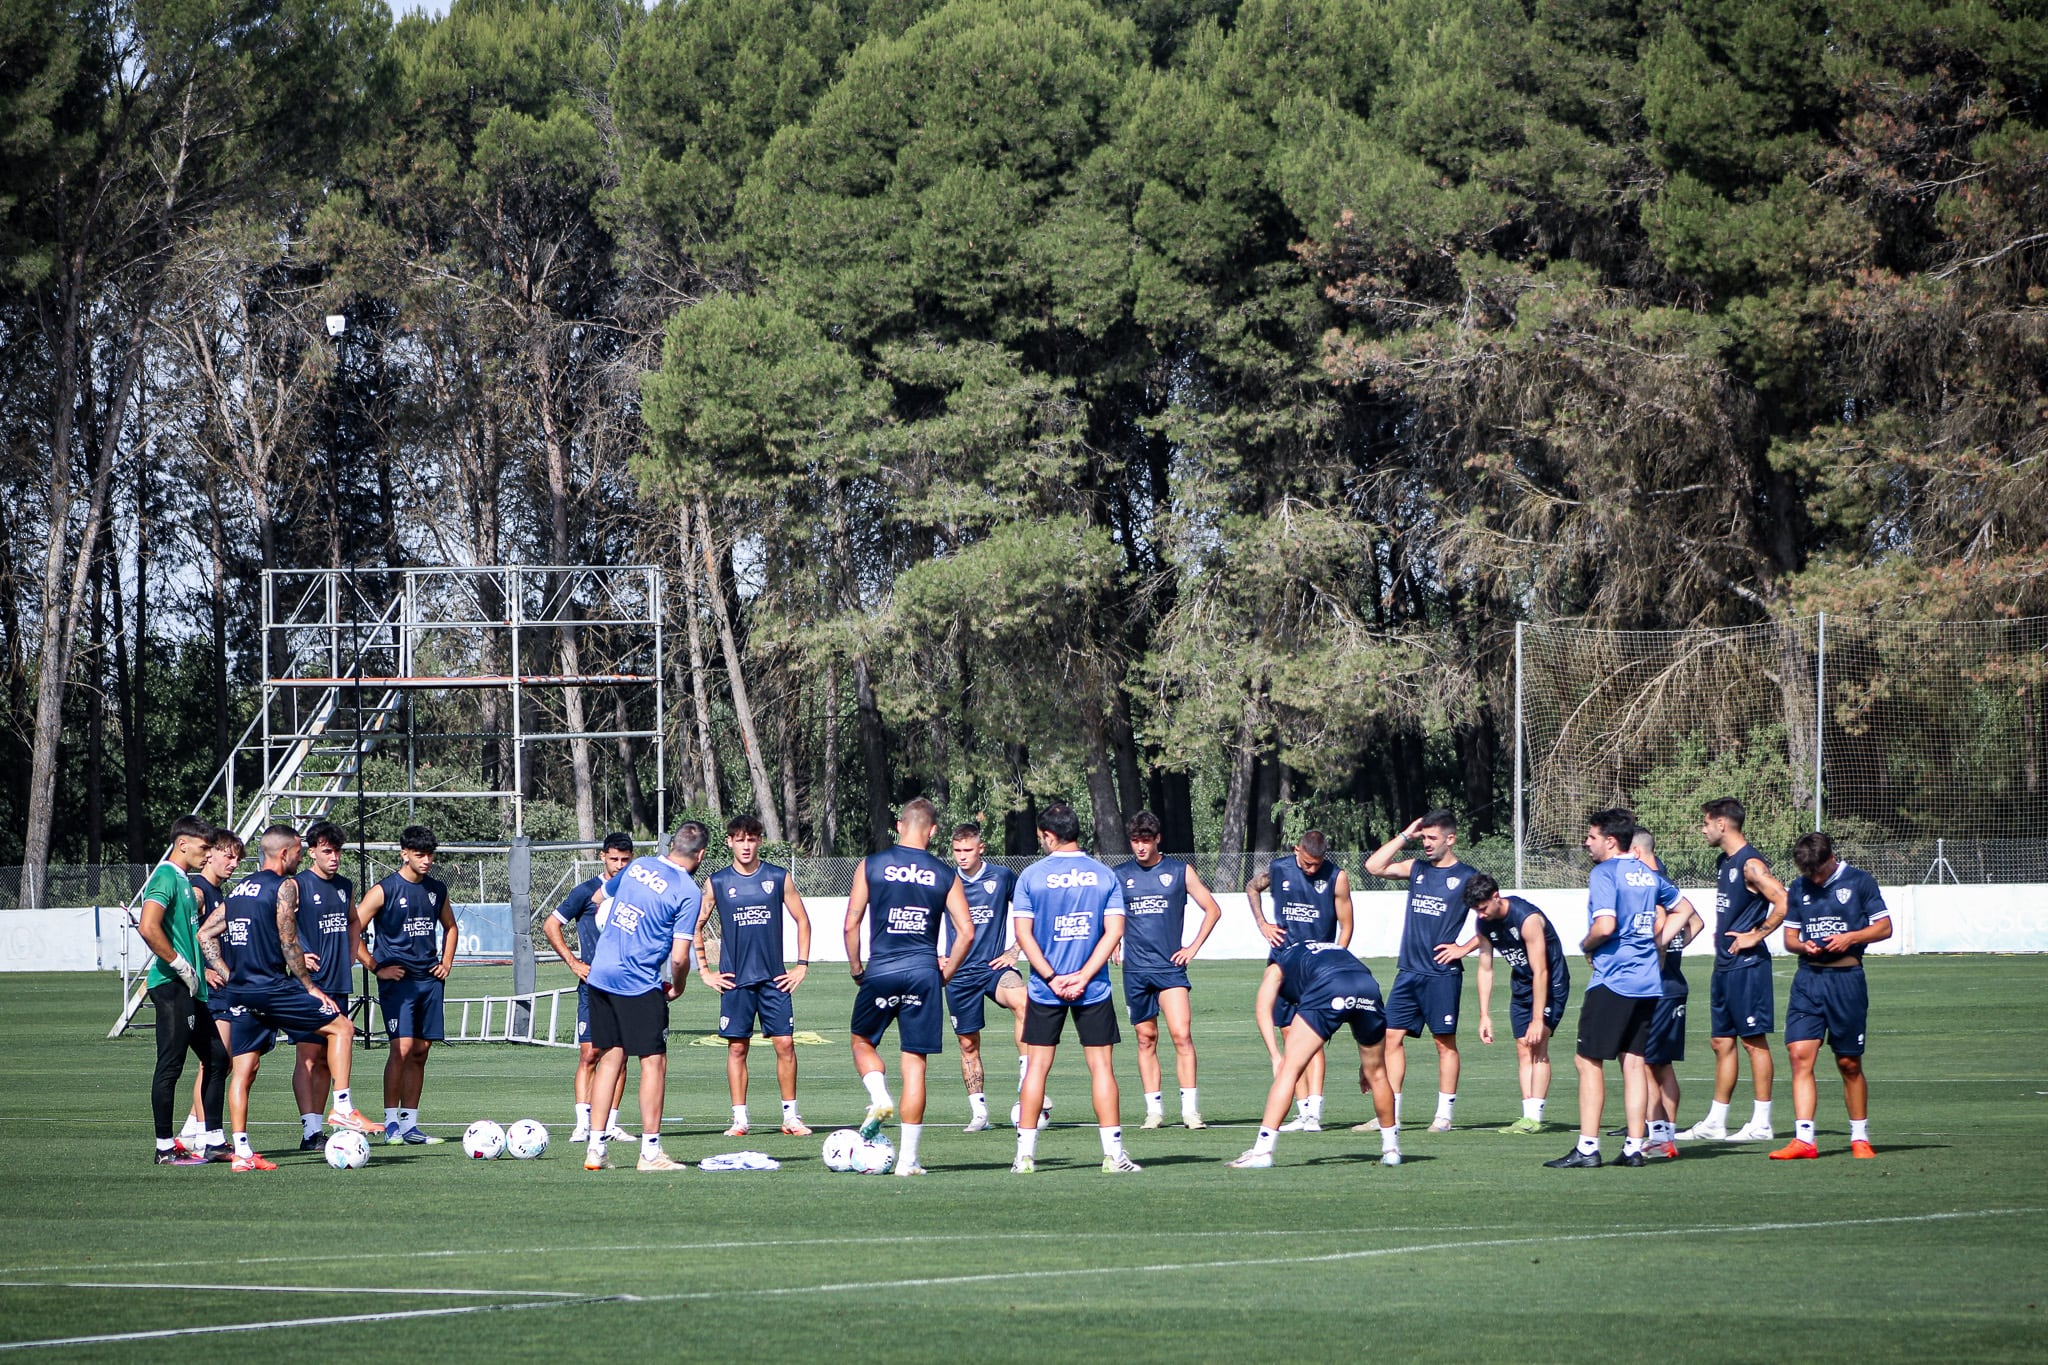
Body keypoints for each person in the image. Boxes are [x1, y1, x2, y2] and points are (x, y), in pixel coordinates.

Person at [1544, 808, 1695, 1169]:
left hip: (1614, 979)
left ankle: (1587, 1148)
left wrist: (1586, 945)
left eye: (1591, 836)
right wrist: (1655, 943)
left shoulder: (1605, 873)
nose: (1586, 842)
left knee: (1587, 1060)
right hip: (1647, 981)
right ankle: (1633, 1148)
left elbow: (1606, 925)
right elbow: (1685, 908)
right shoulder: (1647, 873)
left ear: (1610, 841)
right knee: (1633, 1062)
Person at [204, 825, 357, 1173]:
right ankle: (342, 1108)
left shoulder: (239, 889)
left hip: (241, 991)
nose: (301, 855)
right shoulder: (284, 886)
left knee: (244, 1070)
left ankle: (242, 1153)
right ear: (284, 853)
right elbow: (289, 942)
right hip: (273, 988)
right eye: (300, 850)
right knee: (342, 1029)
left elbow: (205, 933)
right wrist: (310, 986)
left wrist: (227, 974)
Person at [843, 798, 974, 1176]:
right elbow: (966, 932)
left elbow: (851, 924)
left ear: (899, 826)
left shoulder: (871, 865)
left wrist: (857, 969)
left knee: (861, 1041)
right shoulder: (945, 873)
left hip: (882, 969)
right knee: (915, 1064)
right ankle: (908, 1161)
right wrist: (944, 973)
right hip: (923, 973)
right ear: (933, 831)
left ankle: (879, 1096)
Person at [1011, 802, 1138, 1174]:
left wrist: (1052, 977)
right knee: (1102, 1069)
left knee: (1037, 1068)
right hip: (1093, 986)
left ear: (1049, 836)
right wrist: (1083, 976)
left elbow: (1023, 934)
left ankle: (1024, 1157)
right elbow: (1115, 931)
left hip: (1045, 988)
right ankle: (1114, 1156)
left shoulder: (1031, 877)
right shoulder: (1104, 875)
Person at [581, 822, 709, 1173]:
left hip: (601, 974)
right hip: (637, 982)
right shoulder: (687, 889)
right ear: (699, 855)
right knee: (653, 1062)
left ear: (672, 845)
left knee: (610, 1058)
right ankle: (650, 1153)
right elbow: (681, 956)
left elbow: (598, 901)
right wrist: (679, 985)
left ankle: (596, 1149)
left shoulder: (637, 866)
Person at [1771, 832, 1891, 1160]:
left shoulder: (1860, 881)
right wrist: (1802, 945)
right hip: (1808, 981)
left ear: (1830, 858)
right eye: (1808, 873)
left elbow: (1884, 927)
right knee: (1799, 1055)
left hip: (1847, 982)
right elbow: (1790, 938)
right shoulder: (1798, 888)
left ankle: (1860, 1137)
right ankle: (1804, 1140)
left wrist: (1852, 937)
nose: (1814, 878)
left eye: (1818, 871)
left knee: (1848, 1063)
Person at [1229, 941, 1401, 1169]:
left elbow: (1263, 1009)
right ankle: (1391, 1150)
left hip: (1330, 986)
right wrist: (1366, 1061)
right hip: (1368, 985)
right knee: (1377, 1073)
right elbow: (1352, 981)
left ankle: (1262, 1152)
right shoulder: (1326, 949)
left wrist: (1275, 1055)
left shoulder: (1277, 963)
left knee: (1289, 1070)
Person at [1677, 797, 1789, 1143]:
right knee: (1720, 1041)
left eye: (1706, 822)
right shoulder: (1723, 862)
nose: (1703, 828)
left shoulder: (1750, 863)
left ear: (1722, 824)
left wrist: (1756, 934)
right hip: (1725, 965)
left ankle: (1762, 1122)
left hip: (1748, 966)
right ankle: (1716, 1121)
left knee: (1753, 1042)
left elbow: (1784, 900)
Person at [1362, 810, 1478, 1132]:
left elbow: (1492, 916)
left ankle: (1444, 1116)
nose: (1426, 844)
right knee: (1391, 1038)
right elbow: (1374, 867)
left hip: (1441, 974)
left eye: (1431, 838)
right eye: (1423, 838)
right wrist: (1405, 835)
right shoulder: (1417, 869)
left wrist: (1463, 948)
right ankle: (1391, 1114)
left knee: (1444, 1043)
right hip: (1408, 972)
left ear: (1450, 839)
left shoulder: (1468, 876)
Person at [701, 813, 814, 1138]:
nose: (746, 845)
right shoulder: (717, 882)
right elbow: (694, 924)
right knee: (737, 1048)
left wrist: (801, 965)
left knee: (785, 1044)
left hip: (774, 979)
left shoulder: (778, 877)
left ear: (760, 841)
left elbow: (803, 921)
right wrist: (705, 971)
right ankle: (740, 1120)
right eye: (740, 839)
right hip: (735, 981)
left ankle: (791, 1117)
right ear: (730, 842)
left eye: (752, 839)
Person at [1115, 810, 1223, 1130]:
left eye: (1146, 840)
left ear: (1157, 839)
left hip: (1169, 969)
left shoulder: (1179, 871)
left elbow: (1213, 910)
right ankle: (1154, 1111)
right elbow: (1110, 915)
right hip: (1135, 970)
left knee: (1181, 1034)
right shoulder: (1120, 874)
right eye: (1135, 841)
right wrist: (1115, 942)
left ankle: (1190, 1110)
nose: (1140, 847)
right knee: (1146, 1038)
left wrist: (1192, 947)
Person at [352, 824, 457, 1145]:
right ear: (404, 854)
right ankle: (391, 1123)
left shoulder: (436, 889)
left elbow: (451, 927)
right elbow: (352, 929)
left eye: (430, 855)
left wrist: (447, 962)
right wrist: (373, 967)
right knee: (402, 1048)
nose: (426, 861)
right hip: (398, 982)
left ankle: (411, 1125)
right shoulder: (384, 890)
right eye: (419, 855)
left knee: (421, 1051)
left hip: (429, 981)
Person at [1441, 872, 1568, 1134]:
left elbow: (1541, 970)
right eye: (1476, 910)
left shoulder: (1527, 919)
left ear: (1496, 897)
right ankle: (1527, 1117)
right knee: (1522, 1047)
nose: (1480, 914)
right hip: (1521, 984)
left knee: (1538, 1043)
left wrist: (1537, 1019)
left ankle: (1534, 1117)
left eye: (1483, 908)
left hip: (1549, 984)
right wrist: (1484, 1015)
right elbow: (1485, 967)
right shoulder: (1484, 924)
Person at [1245, 830, 1351, 1132]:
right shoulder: (1279, 869)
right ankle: (1302, 1112)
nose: (1311, 869)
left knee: (1313, 1039)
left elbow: (1346, 925)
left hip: (1317, 968)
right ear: (1296, 850)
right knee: (1290, 1036)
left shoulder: (1337, 877)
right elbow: (1252, 887)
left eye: (1317, 864)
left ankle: (1315, 1113)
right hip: (1282, 962)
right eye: (1307, 864)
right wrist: (1262, 923)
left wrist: (1335, 960)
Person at [138, 815, 226, 1165]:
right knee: (170, 1064)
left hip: (190, 987)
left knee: (218, 1058)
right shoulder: (164, 875)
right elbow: (148, 926)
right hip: (171, 985)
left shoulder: (184, 881)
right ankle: (164, 1148)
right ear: (183, 844)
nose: (208, 855)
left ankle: (213, 1142)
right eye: (204, 848)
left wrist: (196, 968)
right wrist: (177, 963)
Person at [286, 821, 380, 1149]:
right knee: (308, 1057)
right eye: (327, 851)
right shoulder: (297, 885)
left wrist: (352, 953)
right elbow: (280, 926)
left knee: (327, 1058)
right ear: (311, 852)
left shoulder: (345, 886)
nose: (334, 857)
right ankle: (313, 1126)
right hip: (308, 984)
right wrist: (296, 955)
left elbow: (354, 920)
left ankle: (317, 1131)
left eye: (338, 851)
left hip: (338, 980)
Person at [544, 832, 635, 1143]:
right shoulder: (586, 892)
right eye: (614, 859)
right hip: (593, 986)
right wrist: (573, 963)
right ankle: (583, 1124)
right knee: (590, 1053)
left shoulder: (637, 893)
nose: (619, 865)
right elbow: (551, 924)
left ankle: (610, 1124)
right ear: (602, 857)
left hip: (627, 986)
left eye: (625, 860)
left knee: (621, 1055)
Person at [943, 822, 1027, 1132]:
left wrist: (1016, 949)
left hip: (995, 967)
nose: (962, 856)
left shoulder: (1002, 877)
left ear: (981, 849)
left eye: (967, 850)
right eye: (957, 851)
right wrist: (934, 955)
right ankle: (979, 1113)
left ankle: (1027, 1085)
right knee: (968, 1044)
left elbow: (1030, 910)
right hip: (960, 974)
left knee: (1025, 1003)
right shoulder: (945, 880)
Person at [1631, 828, 1701, 1160]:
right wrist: (1676, 951)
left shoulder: (1650, 889)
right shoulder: (1667, 883)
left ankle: (1659, 1136)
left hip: (1658, 990)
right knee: (1661, 1065)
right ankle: (1667, 1136)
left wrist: (1654, 964)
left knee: (1645, 1063)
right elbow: (1696, 923)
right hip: (1674, 985)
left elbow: (1657, 930)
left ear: (1635, 851)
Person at [177, 827, 243, 1157]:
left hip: (225, 989)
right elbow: (171, 931)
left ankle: (191, 1131)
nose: (233, 863)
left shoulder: (221, 893)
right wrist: (201, 969)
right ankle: (206, 1136)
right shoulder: (198, 891)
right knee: (214, 1062)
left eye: (237, 859)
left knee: (220, 1062)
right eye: (227, 856)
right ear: (210, 853)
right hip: (209, 992)